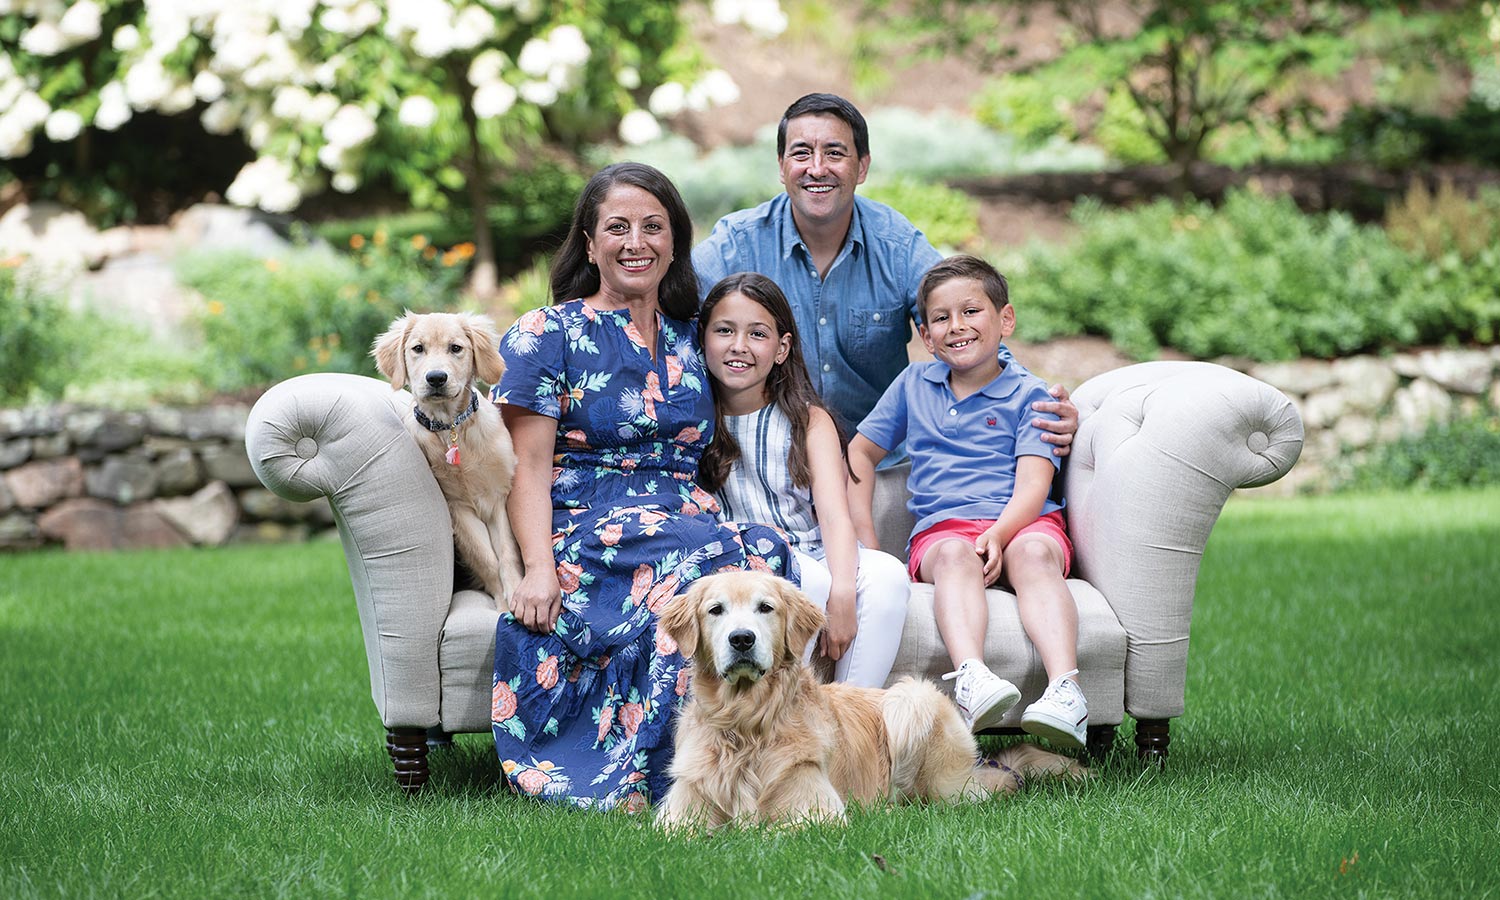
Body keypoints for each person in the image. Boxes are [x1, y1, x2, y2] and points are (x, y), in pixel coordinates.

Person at [491, 162, 798, 810]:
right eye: (618, 227)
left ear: (675, 240)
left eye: (653, 227)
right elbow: (526, 466)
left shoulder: (694, 337)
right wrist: (538, 568)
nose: (637, 242)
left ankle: (770, 759)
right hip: (593, 532)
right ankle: (660, 776)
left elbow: (779, 384)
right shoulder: (548, 334)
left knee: (767, 554)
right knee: (707, 568)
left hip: (686, 523)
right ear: (589, 240)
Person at [691, 92, 1078, 449]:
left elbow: (968, 325)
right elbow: (671, 314)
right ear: (781, 166)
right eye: (802, 153)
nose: (817, 168)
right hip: (766, 455)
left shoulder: (898, 247)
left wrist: (1038, 403)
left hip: (879, 461)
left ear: (862, 167)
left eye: (835, 153)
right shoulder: (738, 243)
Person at [847, 256, 1088, 748]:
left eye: (972, 311)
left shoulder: (1033, 395)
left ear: (1006, 320)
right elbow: (859, 451)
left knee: (1034, 554)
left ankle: (1067, 690)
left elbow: (1034, 488)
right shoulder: (914, 385)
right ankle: (973, 678)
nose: (956, 326)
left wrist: (998, 535)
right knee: (956, 554)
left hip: (1024, 524)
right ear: (926, 334)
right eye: (941, 318)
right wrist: (868, 547)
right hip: (944, 532)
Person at [695, 271, 909, 688]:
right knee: (806, 579)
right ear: (704, 339)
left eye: (757, 334)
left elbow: (833, 515)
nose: (739, 346)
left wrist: (845, 593)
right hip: (742, 557)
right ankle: (784, 711)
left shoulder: (808, 420)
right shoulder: (692, 419)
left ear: (782, 348)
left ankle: (851, 711)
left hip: (810, 548)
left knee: (886, 574)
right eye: (724, 331)